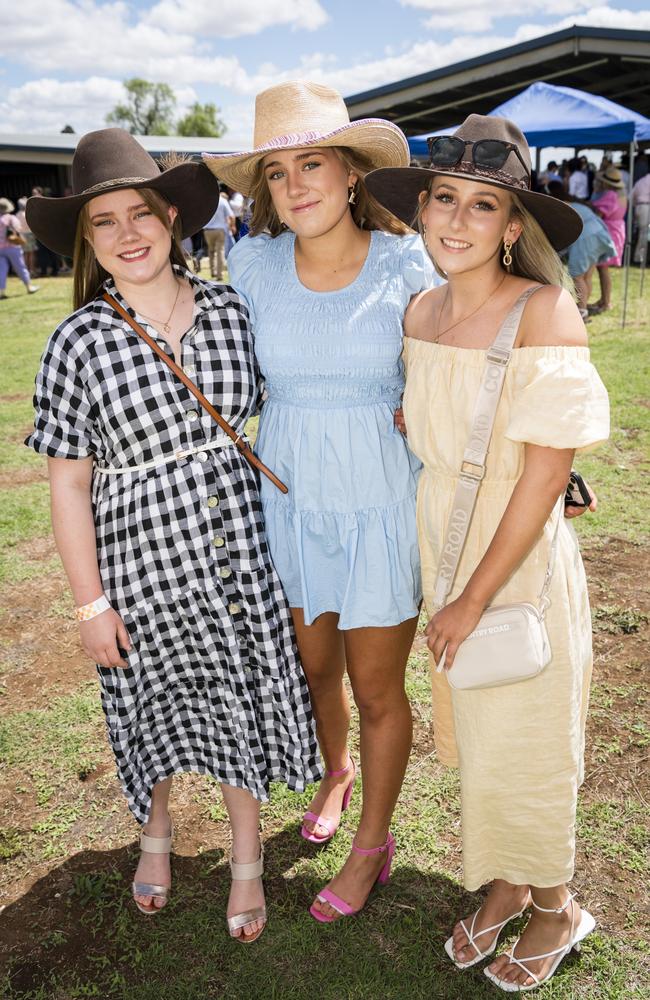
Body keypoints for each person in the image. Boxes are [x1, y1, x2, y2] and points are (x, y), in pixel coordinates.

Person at [25, 128, 320, 942]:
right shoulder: (78, 340)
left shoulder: (231, 309)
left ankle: (246, 852)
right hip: (139, 561)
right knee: (147, 702)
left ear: (170, 218)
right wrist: (89, 606)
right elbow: (67, 483)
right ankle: (153, 836)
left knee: (235, 699)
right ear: (88, 243)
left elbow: (297, 394)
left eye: (140, 214)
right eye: (105, 223)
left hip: (239, 552)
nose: (128, 234)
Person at [366, 114, 609, 992]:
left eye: (483, 206)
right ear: (423, 209)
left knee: (530, 733)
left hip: (514, 558)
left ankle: (557, 905)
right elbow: (450, 423)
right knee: (482, 728)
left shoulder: (544, 310)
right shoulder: (421, 309)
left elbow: (544, 479)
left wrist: (469, 599)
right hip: (444, 535)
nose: (457, 221)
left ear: (514, 227)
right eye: (444, 199)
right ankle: (508, 881)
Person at [203, 80, 437, 923]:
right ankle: (335, 770)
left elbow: (464, 354)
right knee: (314, 666)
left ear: (350, 176)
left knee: (378, 686)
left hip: (379, 496)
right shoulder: (253, 265)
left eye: (313, 164)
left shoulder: (410, 261)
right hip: (291, 495)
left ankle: (373, 844)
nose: (295, 185)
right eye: (276, 172)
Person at [547, 181, 616, 317]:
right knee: (587, 276)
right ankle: (583, 307)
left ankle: (581, 312)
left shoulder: (562, 206)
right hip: (599, 234)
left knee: (577, 277)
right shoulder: (575, 203)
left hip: (587, 237)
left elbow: (563, 231)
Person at [588, 166, 627, 313]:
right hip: (616, 230)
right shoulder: (620, 194)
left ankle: (606, 302)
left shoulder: (610, 194)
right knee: (602, 267)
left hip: (609, 231)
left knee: (603, 267)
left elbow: (599, 213)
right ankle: (604, 299)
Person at [0, 197, 40, 299]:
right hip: (12, 246)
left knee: (2, 270)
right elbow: (18, 228)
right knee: (20, 267)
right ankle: (29, 287)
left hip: (0, 249)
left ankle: (2, 292)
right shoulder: (10, 218)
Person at [203, 184, 236, 280]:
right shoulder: (223, 201)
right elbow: (232, 215)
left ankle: (213, 272)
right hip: (220, 230)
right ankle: (219, 274)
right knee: (220, 251)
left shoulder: (206, 201)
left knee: (211, 251)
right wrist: (233, 226)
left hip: (207, 230)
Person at [631, 168, 650, 264]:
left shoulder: (640, 181)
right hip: (646, 207)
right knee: (644, 233)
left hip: (639, 206)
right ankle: (640, 258)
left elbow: (631, 196)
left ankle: (639, 256)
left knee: (642, 233)